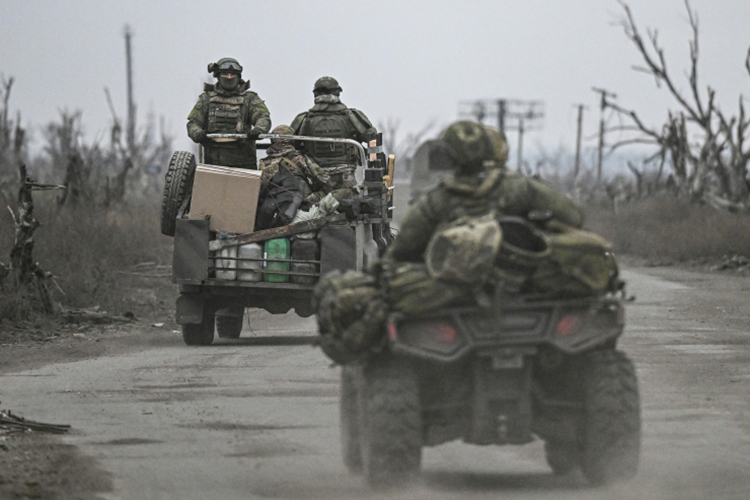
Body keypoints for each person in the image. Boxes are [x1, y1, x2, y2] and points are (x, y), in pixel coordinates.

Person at [385, 120, 584, 265]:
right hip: (521, 285)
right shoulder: (520, 189)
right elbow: (573, 216)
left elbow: (401, 251)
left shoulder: (437, 202)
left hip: (455, 293)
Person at [290, 76, 376, 199]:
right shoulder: (351, 116)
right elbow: (371, 137)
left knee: (317, 206)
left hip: (315, 175)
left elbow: (291, 144)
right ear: (337, 92)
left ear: (315, 94)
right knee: (349, 203)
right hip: (346, 175)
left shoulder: (304, 119)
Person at [187, 57, 271, 168]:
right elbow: (193, 122)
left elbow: (263, 117)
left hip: (244, 164)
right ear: (217, 76)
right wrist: (197, 133)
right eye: (225, 74)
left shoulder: (250, 99)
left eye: (232, 74)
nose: (229, 77)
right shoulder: (206, 99)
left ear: (238, 76)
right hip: (213, 163)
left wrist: (258, 130)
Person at [259, 125, 332, 206]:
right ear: (292, 140)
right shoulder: (299, 158)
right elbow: (323, 179)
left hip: (273, 205)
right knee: (330, 192)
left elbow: (260, 188)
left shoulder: (264, 163)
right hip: (301, 202)